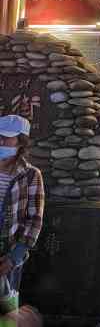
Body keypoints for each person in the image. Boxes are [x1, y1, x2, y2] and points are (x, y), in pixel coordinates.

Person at [0, 115, 43, 304]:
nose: (1, 140)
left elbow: (35, 220)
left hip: (7, 251)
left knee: (5, 308)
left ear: (21, 142)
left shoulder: (30, 174)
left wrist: (13, 258)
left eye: (6, 137)